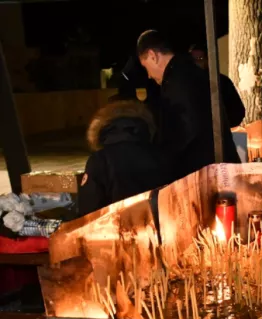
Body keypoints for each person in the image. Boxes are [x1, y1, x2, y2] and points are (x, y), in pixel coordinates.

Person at [136, 30, 241, 181]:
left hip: (203, 174)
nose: (149, 75)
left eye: (146, 67)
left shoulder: (178, 83)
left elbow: (184, 132)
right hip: (219, 168)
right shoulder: (191, 73)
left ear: (153, 56)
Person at [79, 100, 172, 216]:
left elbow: (89, 209)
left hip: (115, 229)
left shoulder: (100, 159)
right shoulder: (161, 155)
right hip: (155, 229)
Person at [189, 44, 246, 129]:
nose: (196, 63)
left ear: (207, 60)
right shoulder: (185, 83)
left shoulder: (221, 81)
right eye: (193, 60)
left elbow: (237, 112)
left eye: (200, 59)